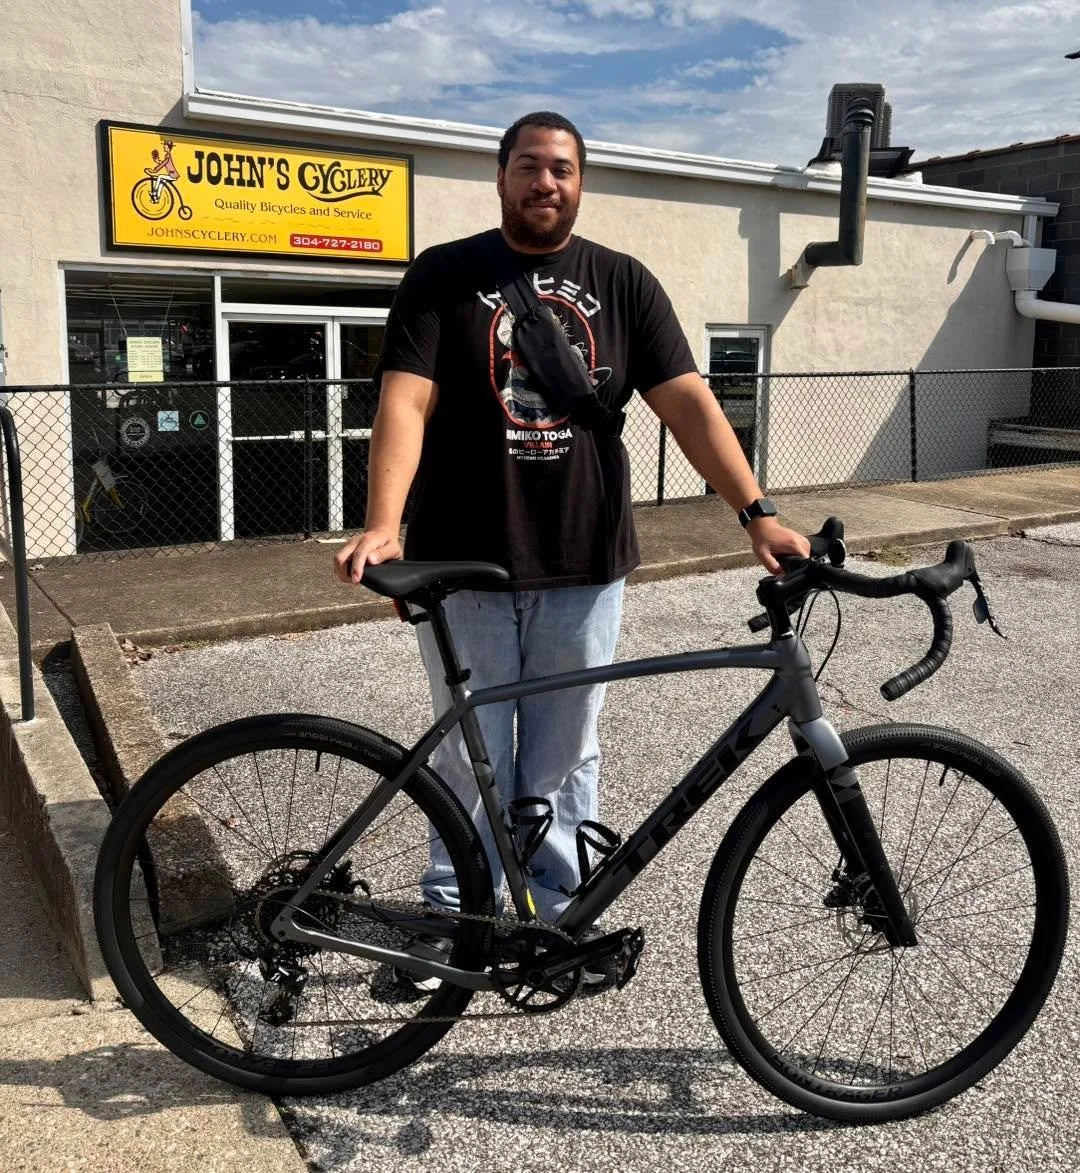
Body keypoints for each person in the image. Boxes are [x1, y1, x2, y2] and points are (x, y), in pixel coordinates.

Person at [334, 111, 809, 988]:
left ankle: (548, 924)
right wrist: (385, 522)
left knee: (563, 751)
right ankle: (452, 920)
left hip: (584, 565)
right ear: (501, 175)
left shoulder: (624, 285)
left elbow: (692, 406)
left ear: (580, 183)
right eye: (527, 166)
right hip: (464, 564)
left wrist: (758, 512)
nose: (543, 182)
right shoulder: (445, 277)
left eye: (560, 169)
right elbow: (405, 402)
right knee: (471, 751)